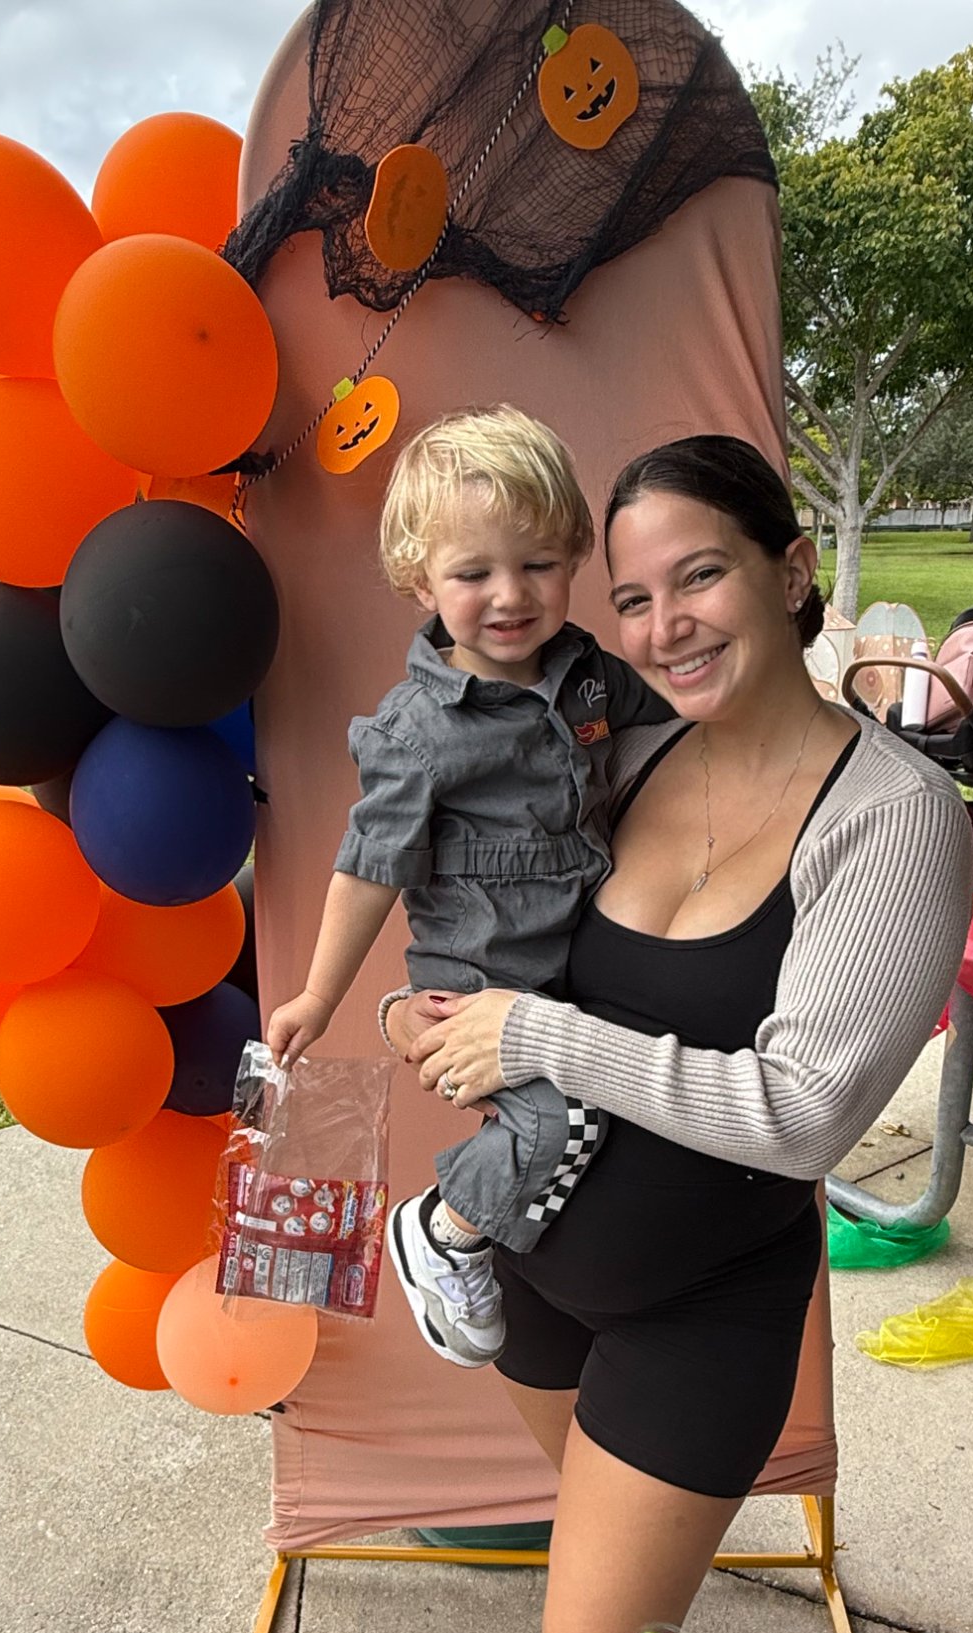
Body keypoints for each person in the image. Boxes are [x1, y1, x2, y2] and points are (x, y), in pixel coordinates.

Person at [388, 434, 973, 1633]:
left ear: (788, 572)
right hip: (538, 1275)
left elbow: (801, 1115)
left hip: (703, 1301)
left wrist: (538, 1041)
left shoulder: (894, 819)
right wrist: (450, 1019)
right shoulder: (627, 751)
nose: (661, 624)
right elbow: (525, 951)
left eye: (700, 575)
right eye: (632, 593)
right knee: (625, 1606)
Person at [265, 405, 672, 1366]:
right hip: (476, 994)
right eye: (472, 573)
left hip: (582, 974)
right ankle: (447, 1230)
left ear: (576, 555)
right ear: (420, 581)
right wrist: (322, 995)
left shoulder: (590, 678)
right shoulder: (417, 733)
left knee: (633, 1096)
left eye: (537, 563)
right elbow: (367, 869)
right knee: (570, 1114)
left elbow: (683, 739)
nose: (510, 594)